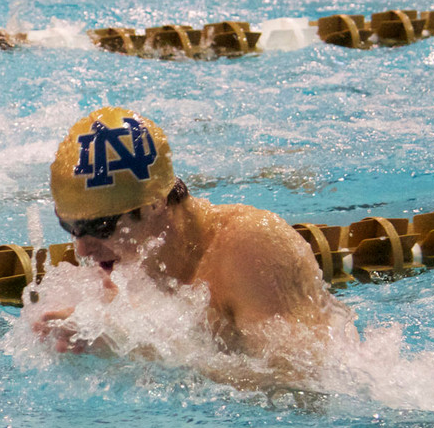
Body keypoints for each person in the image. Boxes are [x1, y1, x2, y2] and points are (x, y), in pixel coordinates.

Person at [33, 106, 349, 390]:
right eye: (70, 227)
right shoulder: (129, 270)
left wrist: (136, 350)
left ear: (154, 203)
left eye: (99, 228)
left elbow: (307, 389)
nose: (82, 249)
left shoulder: (250, 249)